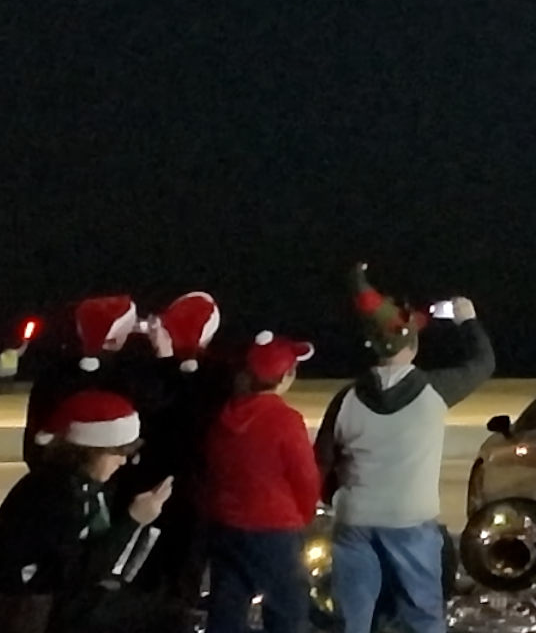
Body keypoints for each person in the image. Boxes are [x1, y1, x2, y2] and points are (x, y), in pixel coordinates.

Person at [314, 267, 491, 633]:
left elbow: (322, 462)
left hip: (356, 520)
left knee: (354, 620)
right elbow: (483, 363)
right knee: (423, 617)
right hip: (411, 521)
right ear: (411, 344)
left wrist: (337, 495)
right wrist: (468, 322)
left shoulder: (345, 399)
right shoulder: (434, 390)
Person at [0, 391, 173, 632]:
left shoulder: (89, 485)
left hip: (59, 602)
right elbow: (79, 572)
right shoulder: (53, 493)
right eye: (118, 452)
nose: (123, 461)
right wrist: (132, 521)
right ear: (86, 451)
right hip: (31, 611)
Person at [199, 334, 322, 633]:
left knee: (227, 606)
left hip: (227, 524)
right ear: (286, 376)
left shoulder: (222, 417)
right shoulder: (285, 419)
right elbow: (305, 477)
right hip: (274, 529)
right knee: (287, 611)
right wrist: (301, 517)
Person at [129, 292, 225, 601]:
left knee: (144, 576)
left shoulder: (150, 375)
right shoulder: (220, 379)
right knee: (183, 578)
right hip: (197, 493)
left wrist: (164, 360)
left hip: (151, 486)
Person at [21, 296, 144, 463]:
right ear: (113, 337)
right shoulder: (125, 375)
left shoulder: (54, 372)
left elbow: (37, 429)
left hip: (54, 466)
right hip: (100, 473)